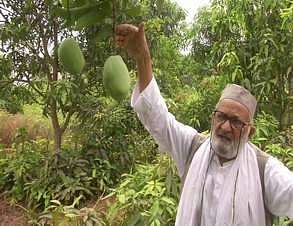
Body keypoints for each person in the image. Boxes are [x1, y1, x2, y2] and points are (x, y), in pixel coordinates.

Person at [115, 23, 293, 226]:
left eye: (236, 122)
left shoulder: (264, 171)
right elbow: (156, 116)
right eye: (221, 117)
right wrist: (143, 58)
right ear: (213, 117)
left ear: (249, 132)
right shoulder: (192, 148)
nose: (225, 127)